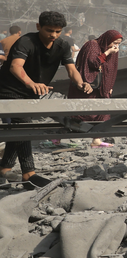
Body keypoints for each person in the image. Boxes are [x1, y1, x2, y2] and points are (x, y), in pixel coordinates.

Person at [0, 12, 92, 188]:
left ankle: (4, 168)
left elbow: (71, 69)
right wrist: (31, 83)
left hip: (31, 91)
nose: (54, 35)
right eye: (50, 30)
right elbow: (15, 66)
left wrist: (81, 83)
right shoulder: (26, 41)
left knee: (18, 127)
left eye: (58, 31)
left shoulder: (62, 45)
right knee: (24, 124)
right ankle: (29, 173)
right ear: (38, 27)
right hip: (8, 89)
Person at [67, 30, 123, 148]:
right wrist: (107, 52)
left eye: (118, 44)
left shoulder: (113, 50)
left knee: (103, 112)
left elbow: (112, 69)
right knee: (79, 112)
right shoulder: (93, 45)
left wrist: (110, 86)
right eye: (114, 42)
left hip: (101, 88)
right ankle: (58, 136)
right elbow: (93, 63)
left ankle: (96, 139)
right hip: (86, 85)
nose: (116, 46)